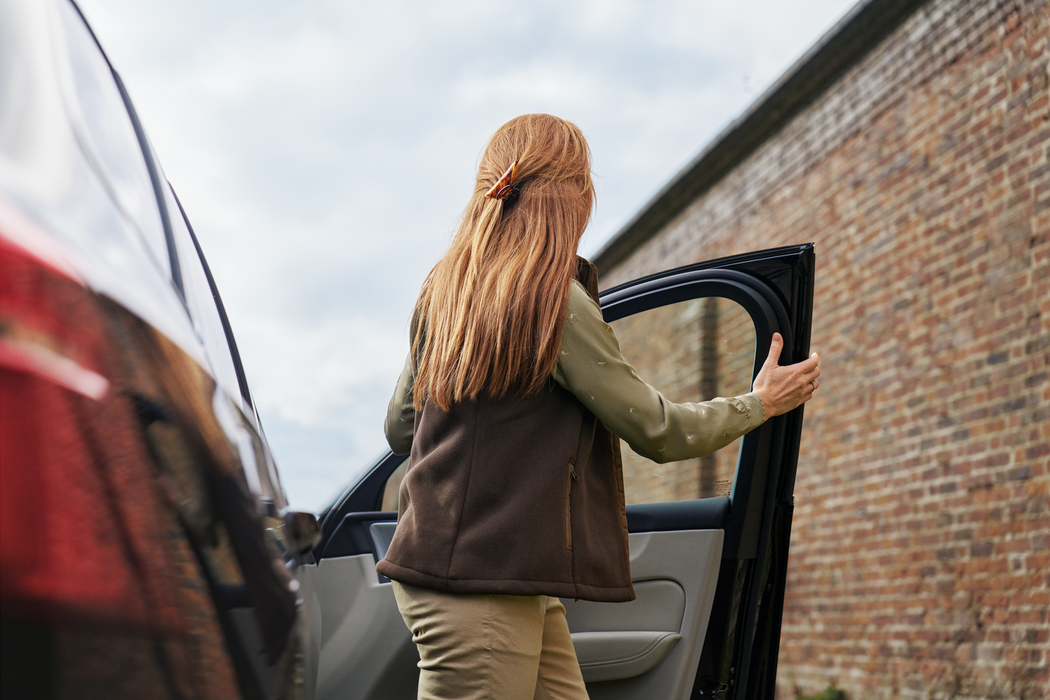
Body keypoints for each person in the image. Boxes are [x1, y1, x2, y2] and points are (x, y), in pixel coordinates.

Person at [378, 114, 820, 700]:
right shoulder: (550, 300)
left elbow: (402, 427)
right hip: (480, 588)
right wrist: (758, 404)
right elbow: (659, 430)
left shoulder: (447, 289)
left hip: (489, 577)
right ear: (574, 196)